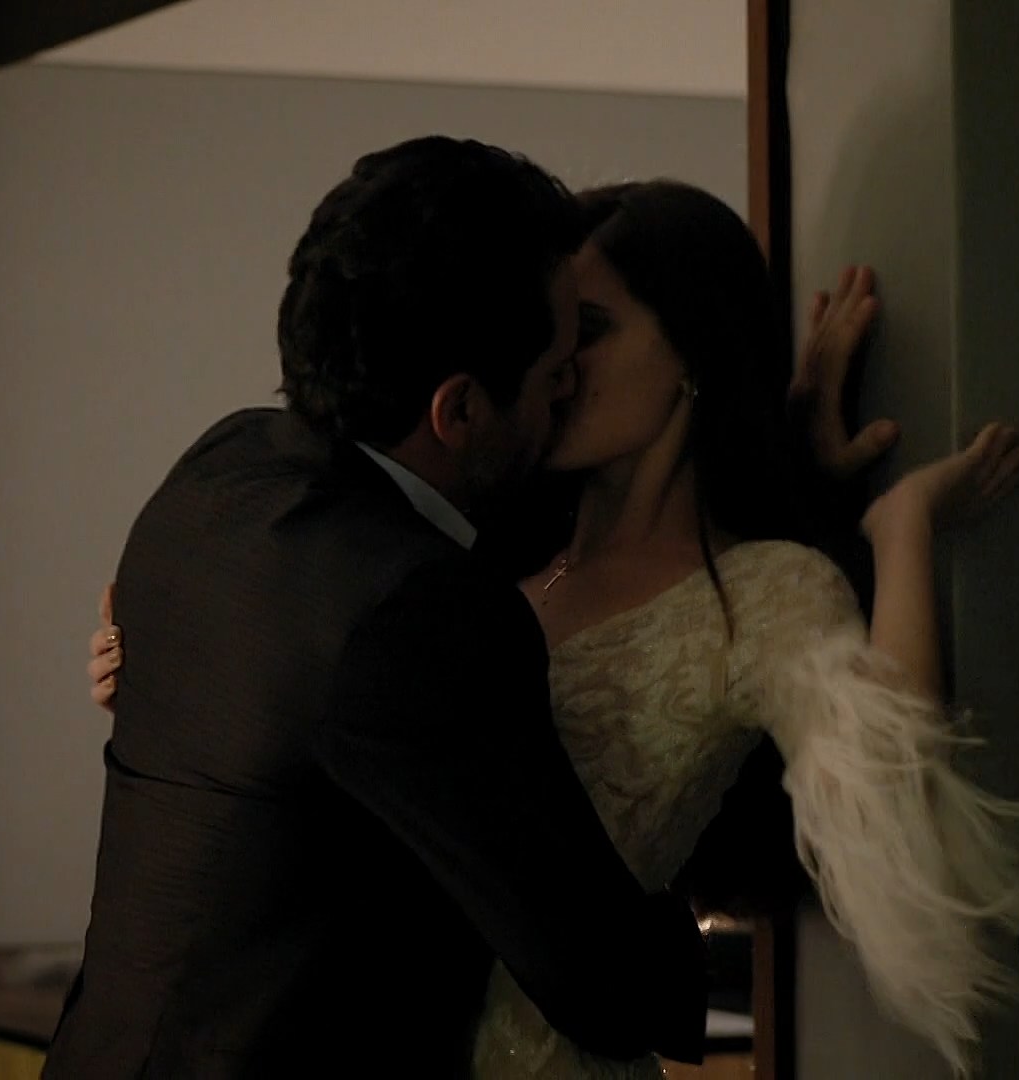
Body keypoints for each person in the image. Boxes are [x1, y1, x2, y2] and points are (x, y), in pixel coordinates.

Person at [87, 177, 1019, 1079]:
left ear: (692, 351)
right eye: (552, 337)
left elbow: (892, 791)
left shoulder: (768, 592)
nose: (556, 368)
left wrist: (898, 526)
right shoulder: (470, 551)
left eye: (586, 331)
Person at [42, 138, 715, 1080]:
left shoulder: (223, 469)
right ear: (459, 410)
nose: (570, 385)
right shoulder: (423, 612)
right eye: (556, 366)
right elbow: (602, 982)